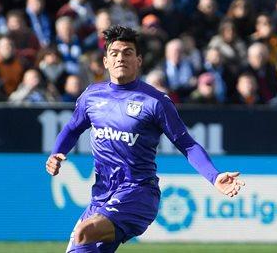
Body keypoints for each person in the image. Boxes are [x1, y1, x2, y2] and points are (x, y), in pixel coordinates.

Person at [45, 25, 244, 253]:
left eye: (128, 52)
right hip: (101, 195)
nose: (121, 58)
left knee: (84, 233)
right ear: (105, 61)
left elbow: (187, 144)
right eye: (114, 53)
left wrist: (214, 176)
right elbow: (72, 128)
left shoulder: (155, 102)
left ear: (139, 60)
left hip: (138, 192)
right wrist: (56, 154)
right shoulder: (91, 96)